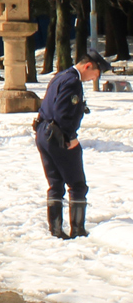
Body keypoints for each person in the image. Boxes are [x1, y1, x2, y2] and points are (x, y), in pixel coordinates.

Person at [38, 48, 109, 239]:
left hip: (43, 132)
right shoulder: (73, 82)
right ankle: (77, 230)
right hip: (58, 136)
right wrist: (70, 137)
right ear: (88, 66)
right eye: (96, 74)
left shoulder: (60, 76)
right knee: (77, 185)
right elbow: (63, 113)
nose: (94, 78)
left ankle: (56, 230)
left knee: (55, 183)